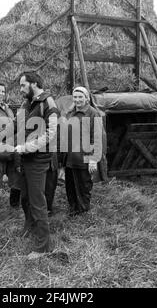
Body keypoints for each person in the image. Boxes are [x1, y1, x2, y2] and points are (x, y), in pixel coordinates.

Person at [14, 71, 60, 258]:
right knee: (25, 198)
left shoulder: (49, 103)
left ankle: (43, 247)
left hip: (38, 160)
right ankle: (30, 227)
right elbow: (15, 124)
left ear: (33, 84)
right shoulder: (27, 103)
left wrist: (26, 148)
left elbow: (50, 134)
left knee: (37, 202)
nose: (21, 89)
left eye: (23, 85)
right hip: (25, 159)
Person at [63, 86, 102, 217]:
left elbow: (96, 137)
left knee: (83, 184)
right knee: (70, 185)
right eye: (75, 97)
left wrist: (93, 159)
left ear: (87, 98)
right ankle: (73, 207)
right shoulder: (70, 112)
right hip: (70, 156)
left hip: (84, 157)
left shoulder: (92, 113)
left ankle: (83, 210)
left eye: (80, 97)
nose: (77, 99)